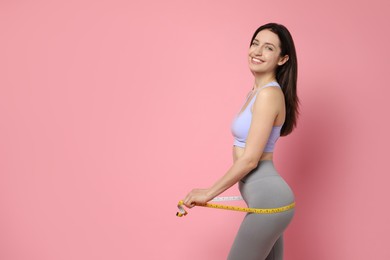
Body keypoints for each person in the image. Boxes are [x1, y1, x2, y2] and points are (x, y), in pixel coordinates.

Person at [183, 23, 299, 260]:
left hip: (269, 199)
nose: (257, 51)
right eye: (255, 43)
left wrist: (208, 193)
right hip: (265, 197)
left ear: (282, 58)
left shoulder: (268, 94)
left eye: (268, 48)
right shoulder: (256, 92)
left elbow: (249, 160)